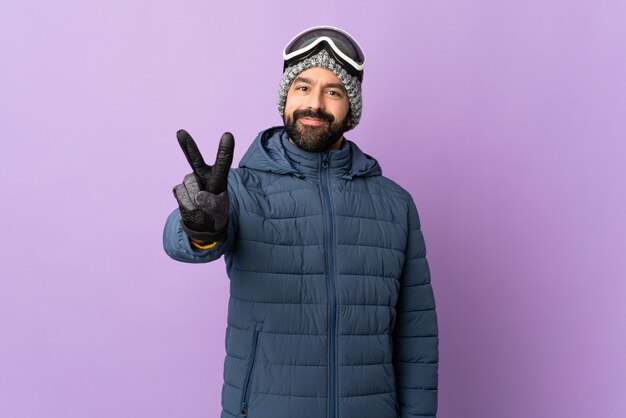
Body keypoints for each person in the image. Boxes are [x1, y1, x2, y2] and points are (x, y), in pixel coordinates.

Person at [163, 26, 439, 418]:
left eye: (333, 91)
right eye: (303, 87)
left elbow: (417, 335)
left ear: (351, 107)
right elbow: (180, 241)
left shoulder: (396, 204)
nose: (316, 104)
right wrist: (201, 227)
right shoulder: (240, 189)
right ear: (286, 97)